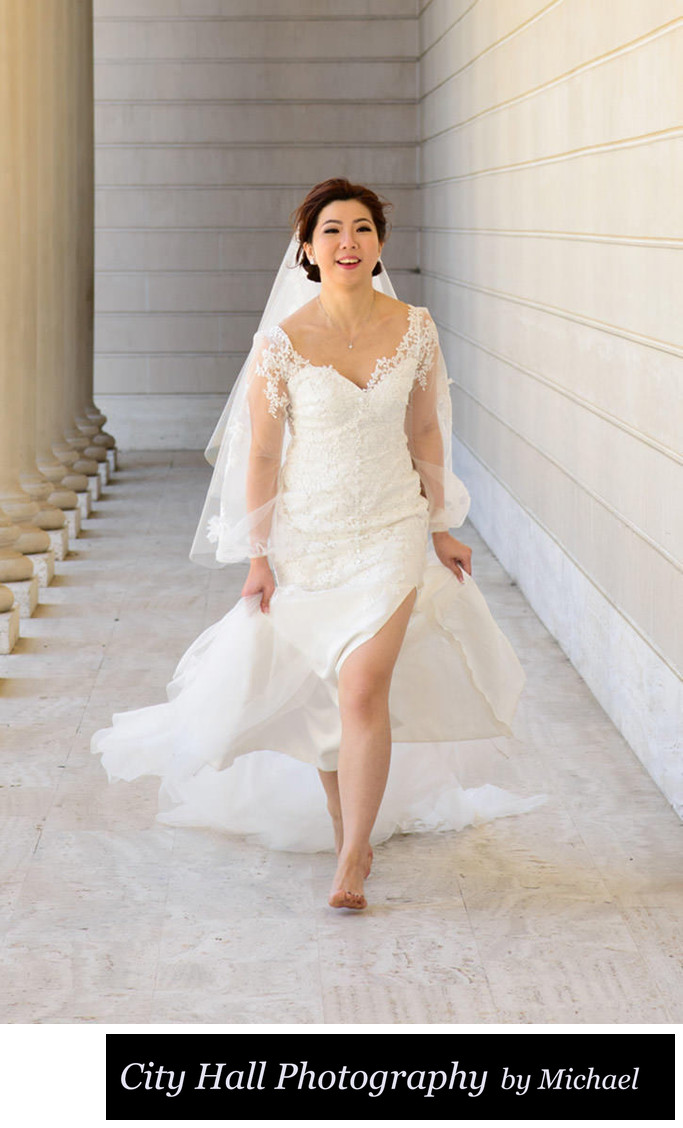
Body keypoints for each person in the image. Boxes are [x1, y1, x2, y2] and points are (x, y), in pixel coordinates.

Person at [92, 178, 543, 911]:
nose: (348, 242)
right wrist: (259, 556)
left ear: (379, 245)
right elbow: (262, 457)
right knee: (333, 692)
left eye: (362, 228)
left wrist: (438, 525)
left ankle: (351, 865)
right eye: (331, 230)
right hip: (310, 537)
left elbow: (425, 432)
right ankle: (348, 829)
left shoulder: (416, 328)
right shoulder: (281, 344)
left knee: (364, 685)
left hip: (390, 529)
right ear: (307, 248)